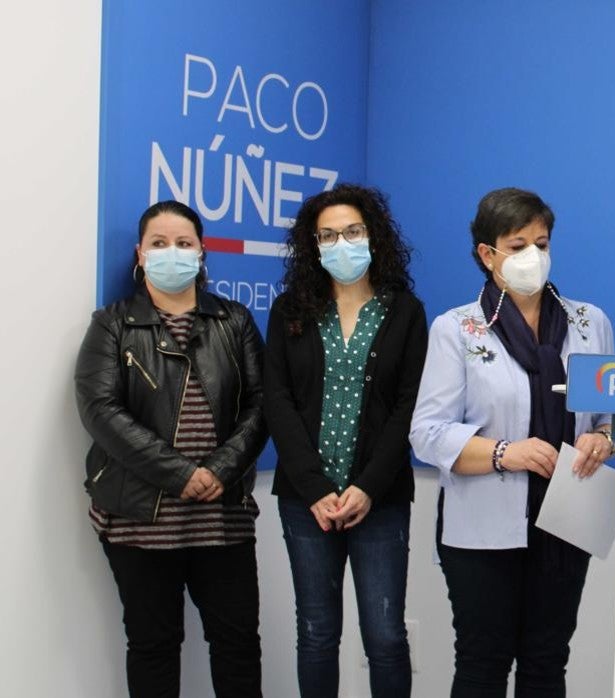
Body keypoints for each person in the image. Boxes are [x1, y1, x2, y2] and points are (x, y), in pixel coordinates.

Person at [409, 187, 615, 697]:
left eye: (541, 243)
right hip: (483, 530)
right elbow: (426, 433)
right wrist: (506, 453)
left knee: (547, 663)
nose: (532, 257)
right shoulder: (457, 329)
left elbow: (610, 419)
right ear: (487, 254)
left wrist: (604, 441)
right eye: (517, 244)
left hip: (567, 521)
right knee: (483, 663)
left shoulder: (590, 323)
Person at [75, 200, 266, 697]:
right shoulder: (113, 324)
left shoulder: (235, 320)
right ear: (140, 254)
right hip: (140, 518)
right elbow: (100, 410)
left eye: (184, 243)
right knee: (153, 647)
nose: (172, 253)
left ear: (202, 253)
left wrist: (220, 469)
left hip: (222, 516)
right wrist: (181, 473)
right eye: (159, 244)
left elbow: (263, 406)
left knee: (238, 646)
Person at [264, 184, 428, 698]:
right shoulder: (291, 309)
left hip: (378, 499)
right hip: (304, 500)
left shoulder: (404, 310)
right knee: (315, 634)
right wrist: (314, 488)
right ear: (313, 245)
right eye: (328, 235)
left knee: (384, 636)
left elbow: (408, 406)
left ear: (373, 236)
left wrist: (368, 487)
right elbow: (278, 400)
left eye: (352, 232)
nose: (342, 243)